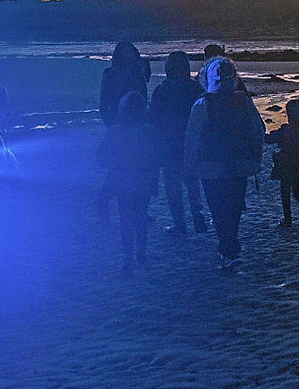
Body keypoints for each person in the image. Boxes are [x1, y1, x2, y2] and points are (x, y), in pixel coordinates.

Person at [184, 56, 264, 270]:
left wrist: (189, 164)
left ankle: (228, 248)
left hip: (211, 167)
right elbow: (258, 130)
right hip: (240, 164)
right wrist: (257, 156)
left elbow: (192, 137)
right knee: (235, 206)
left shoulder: (202, 104)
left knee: (218, 208)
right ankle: (231, 246)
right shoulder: (242, 101)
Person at [96, 91, 158, 274]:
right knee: (141, 218)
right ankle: (141, 252)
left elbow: (101, 156)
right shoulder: (149, 132)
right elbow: (155, 158)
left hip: (123, 183)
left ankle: (129, 257)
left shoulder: (115, 132)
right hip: (143, 182)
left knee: (126, 221)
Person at [149, 51, 206, 235]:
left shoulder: (162, 90)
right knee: (192, 180)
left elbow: (154, 118)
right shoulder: (195, 88)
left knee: (173, 185)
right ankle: (198, 213)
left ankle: (180, 223)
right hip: (191, 141)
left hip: (168, 143)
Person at [96, 42, 151, 219]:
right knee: (119, 167)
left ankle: (134, 207)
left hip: (138, 123)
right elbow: (104, 102)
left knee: (134, 167)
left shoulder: (138, 71)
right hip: (119, 124)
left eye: (131, 51)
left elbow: (144, 91)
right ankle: (104, 198)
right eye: (125, 51)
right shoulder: (111, 74)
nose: (129, 54)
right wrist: (111, 125)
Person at [266, 98, 299, 227]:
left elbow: (270, 140)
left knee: (285, 193)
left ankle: (287, 219)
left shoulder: (285, 130)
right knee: (298, 191)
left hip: (286, 166)